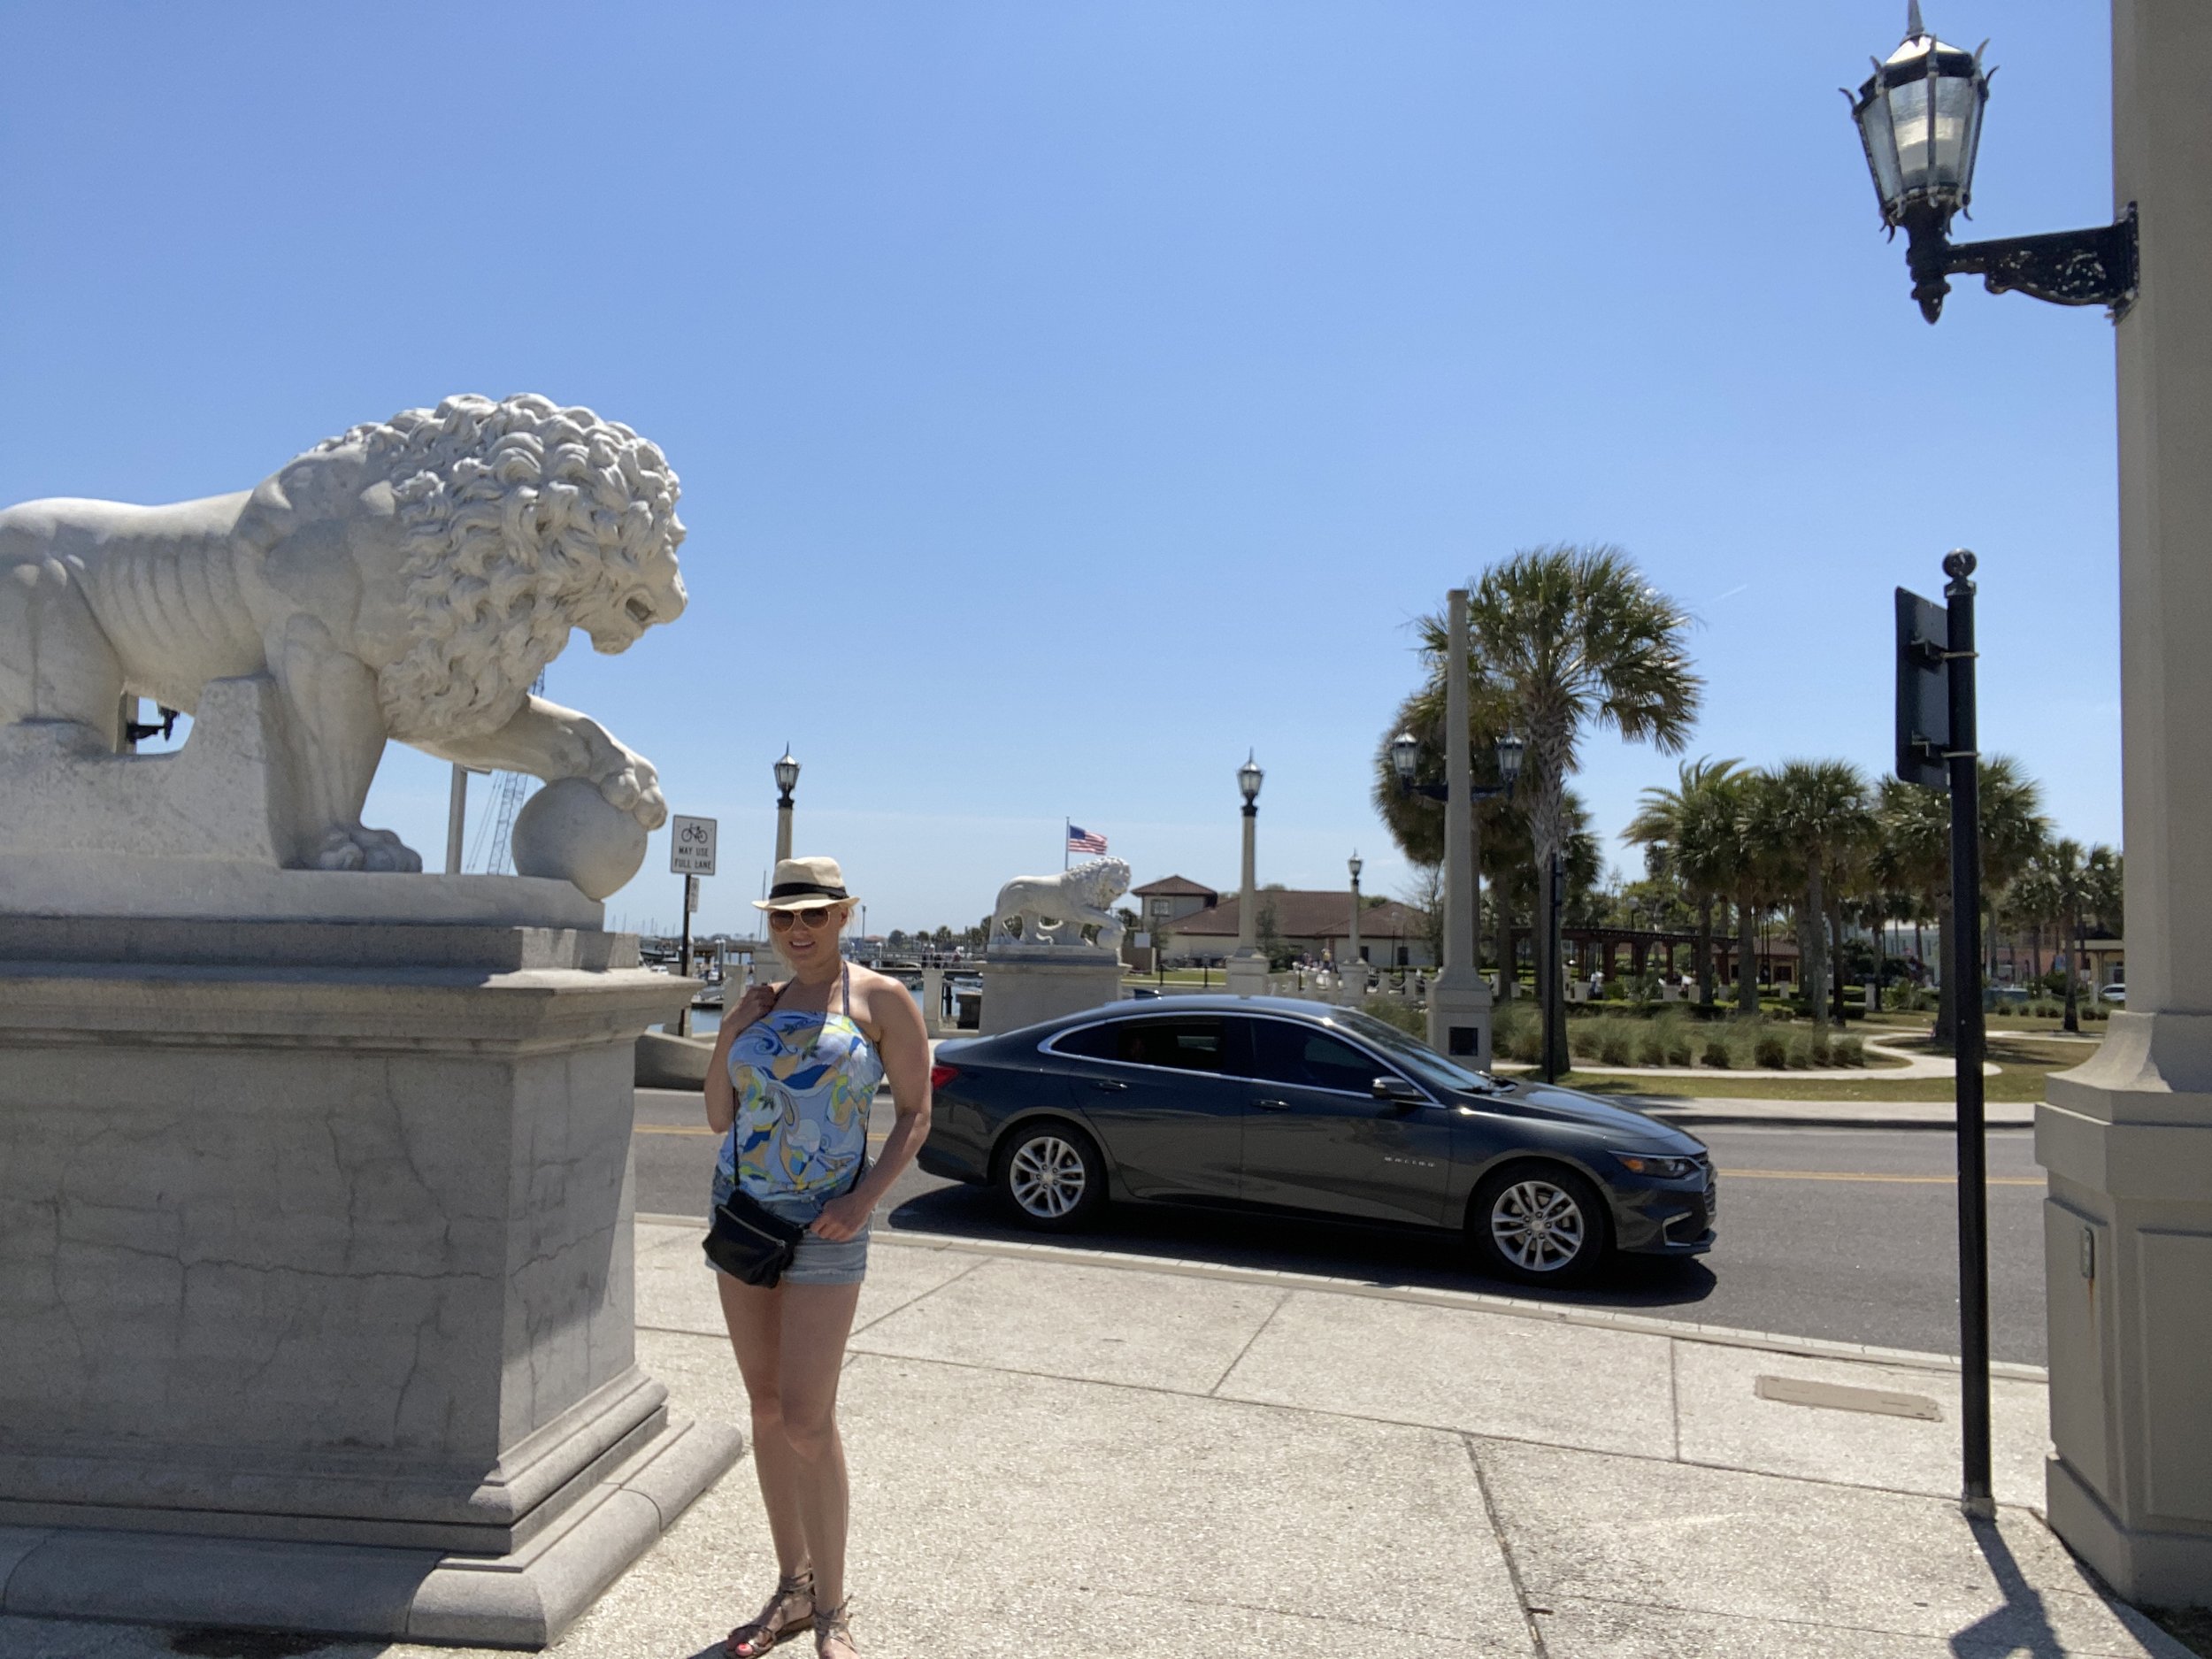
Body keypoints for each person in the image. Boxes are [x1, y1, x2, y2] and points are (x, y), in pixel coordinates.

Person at [706, 856, 932, 1659]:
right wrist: (732, 1028)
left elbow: (914, 1112)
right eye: (782, 917)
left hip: (828, 1226)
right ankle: (791, 1589)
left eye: (813, 915)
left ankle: (834, 1609)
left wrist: (862, 1200)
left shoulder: (879, 1000)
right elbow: (716, 1113)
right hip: (743, 1216)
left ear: (843, 917)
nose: (797, 931)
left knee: (808, 1415)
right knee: (766, 1409)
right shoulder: (762, 1005)